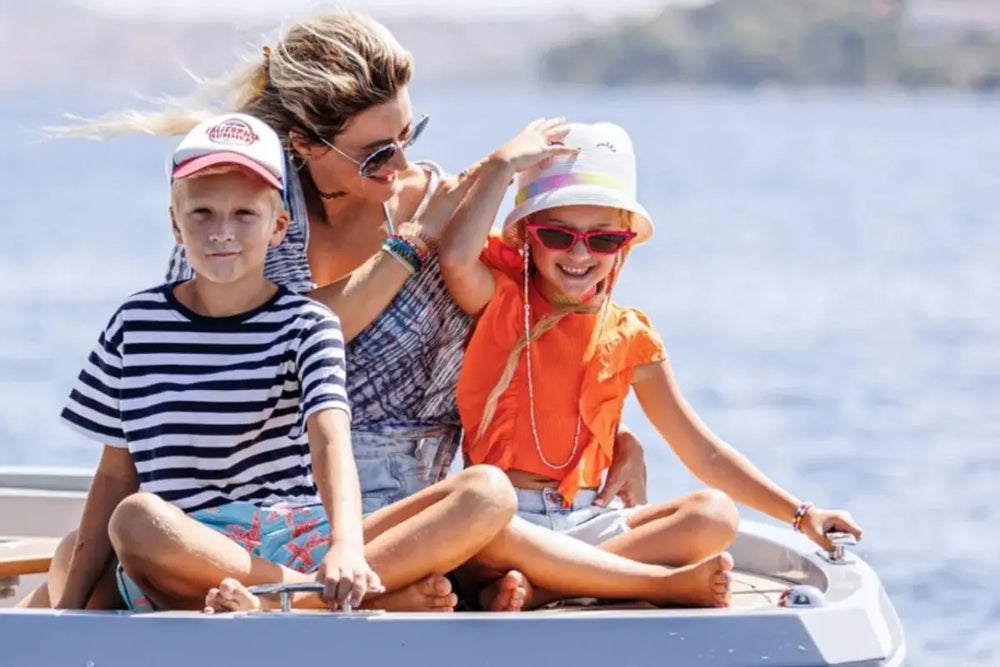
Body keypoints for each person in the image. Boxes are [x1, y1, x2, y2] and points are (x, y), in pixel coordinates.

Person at [33, 113, 521, 614]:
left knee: (487, 492)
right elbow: (115, 475)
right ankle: (315, 600)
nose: (223, 231)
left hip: (296, 535)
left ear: (277, 227)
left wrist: (346, 545)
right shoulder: (134, 324)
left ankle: (285, 597)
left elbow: (330, 440)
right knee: (133, 518)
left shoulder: (308, 323)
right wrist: (66, 606)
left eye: (245, 214)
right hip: (188, 548)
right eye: (202, 212)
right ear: (176, 224)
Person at [437, 119, 864, 605]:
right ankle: (627, 582)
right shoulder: (501, 298)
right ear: (527, 238)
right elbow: (455, 256)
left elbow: (703, 452)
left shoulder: (630, 336)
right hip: (507, 521)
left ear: (625, 246)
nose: (580, 254)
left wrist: (801, 513)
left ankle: (545, 588)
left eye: (602, 241)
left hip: (589, 522)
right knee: (474, 519)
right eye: (557, 235)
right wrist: (502, 165)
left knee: (715, 516)